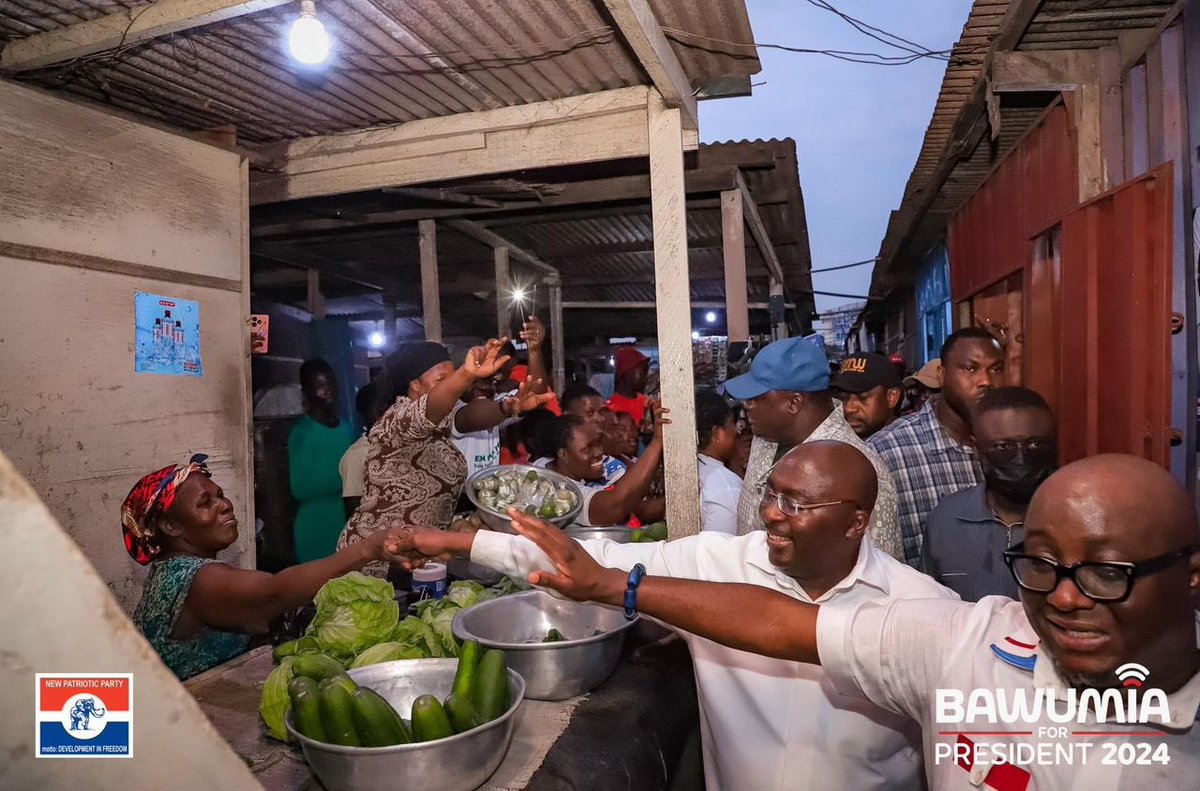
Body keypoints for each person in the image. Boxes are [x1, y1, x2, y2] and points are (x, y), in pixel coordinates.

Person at [506, 453, 1200, 789]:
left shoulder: (918, 595)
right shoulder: (959, 640)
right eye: (1042, 565)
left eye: (1109, 573)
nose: (1067, 598)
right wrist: (613, 584)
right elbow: (786, 624)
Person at [391, 441, 956, 790]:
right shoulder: (714, 563)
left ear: (857, 522)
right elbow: (590, 565)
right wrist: (451, 543)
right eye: (770, 493)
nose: (770, 514)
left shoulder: (925, 610)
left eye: (796, 504)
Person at [125, 455, 408, 679]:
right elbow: (273, 593)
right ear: (170, 526)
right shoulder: (194, 579)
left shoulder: (175, 570)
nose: (225, 505)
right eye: (205, 503)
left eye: (220, 495)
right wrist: (369, 548)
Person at [337, 339, 548, 576]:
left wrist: (506, 408)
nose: (454, 387)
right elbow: (429, 409)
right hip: (374, 562)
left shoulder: (441, 424)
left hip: (416, 561)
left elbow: (469, 416)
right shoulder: (397, 420)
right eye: (441, 380)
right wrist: (466, 375)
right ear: (414, 385)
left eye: (453, 377)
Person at [723, 337, 902, 561]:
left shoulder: (859, 470)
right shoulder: (766, 437)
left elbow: (877, 571)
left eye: (757, 397)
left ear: (794, 402)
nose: (747, 404)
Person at [869, 328, 1006, 569]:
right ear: (941, 375)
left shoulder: (1017, 443)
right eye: (970, 368)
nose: (986, 381)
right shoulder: (886, 452)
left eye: (996, 369)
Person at [923, 387, 1057, 601]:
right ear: (976, 448)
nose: (1021, 459)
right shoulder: (946, 520)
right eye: (1004, 446)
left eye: (1035, 444)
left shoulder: (1075, 522)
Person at [540, 407, 668, 527]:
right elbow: (616, 505)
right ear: (564, 455)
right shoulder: (561, 495)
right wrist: (657, 442)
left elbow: (638, 503)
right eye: (587, 449)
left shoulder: (576, 467)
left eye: (598, 443)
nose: (599, 453)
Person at [289, 358, 356, 562]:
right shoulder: (302, 433)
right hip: (315, 524)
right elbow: (299, 488)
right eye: (320, 385)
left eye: (331, 383)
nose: (329, 390)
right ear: (307, 392)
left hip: (346, 519)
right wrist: (345, 478)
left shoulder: (346, 428)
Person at [695, 390, 742, 534]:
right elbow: (720, 552)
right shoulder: (727, 486)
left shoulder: (688, 469)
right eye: (731, 423)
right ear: (716, 433)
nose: (736, 431)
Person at [832, 352, 903, 439]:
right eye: (843, 398)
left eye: (863, 397)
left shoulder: (906, 445)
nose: (849, 409)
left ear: (891, 397)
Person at [339, 381, 382, 519]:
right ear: (369, 414)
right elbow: (353, 517)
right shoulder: (355, 457)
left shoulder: (401, 444)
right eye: (382, 411)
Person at [608, 347, 652, 430]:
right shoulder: (611, 410)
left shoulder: (647, 402)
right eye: (644, 371)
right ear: (627, 373)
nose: (648, 376)